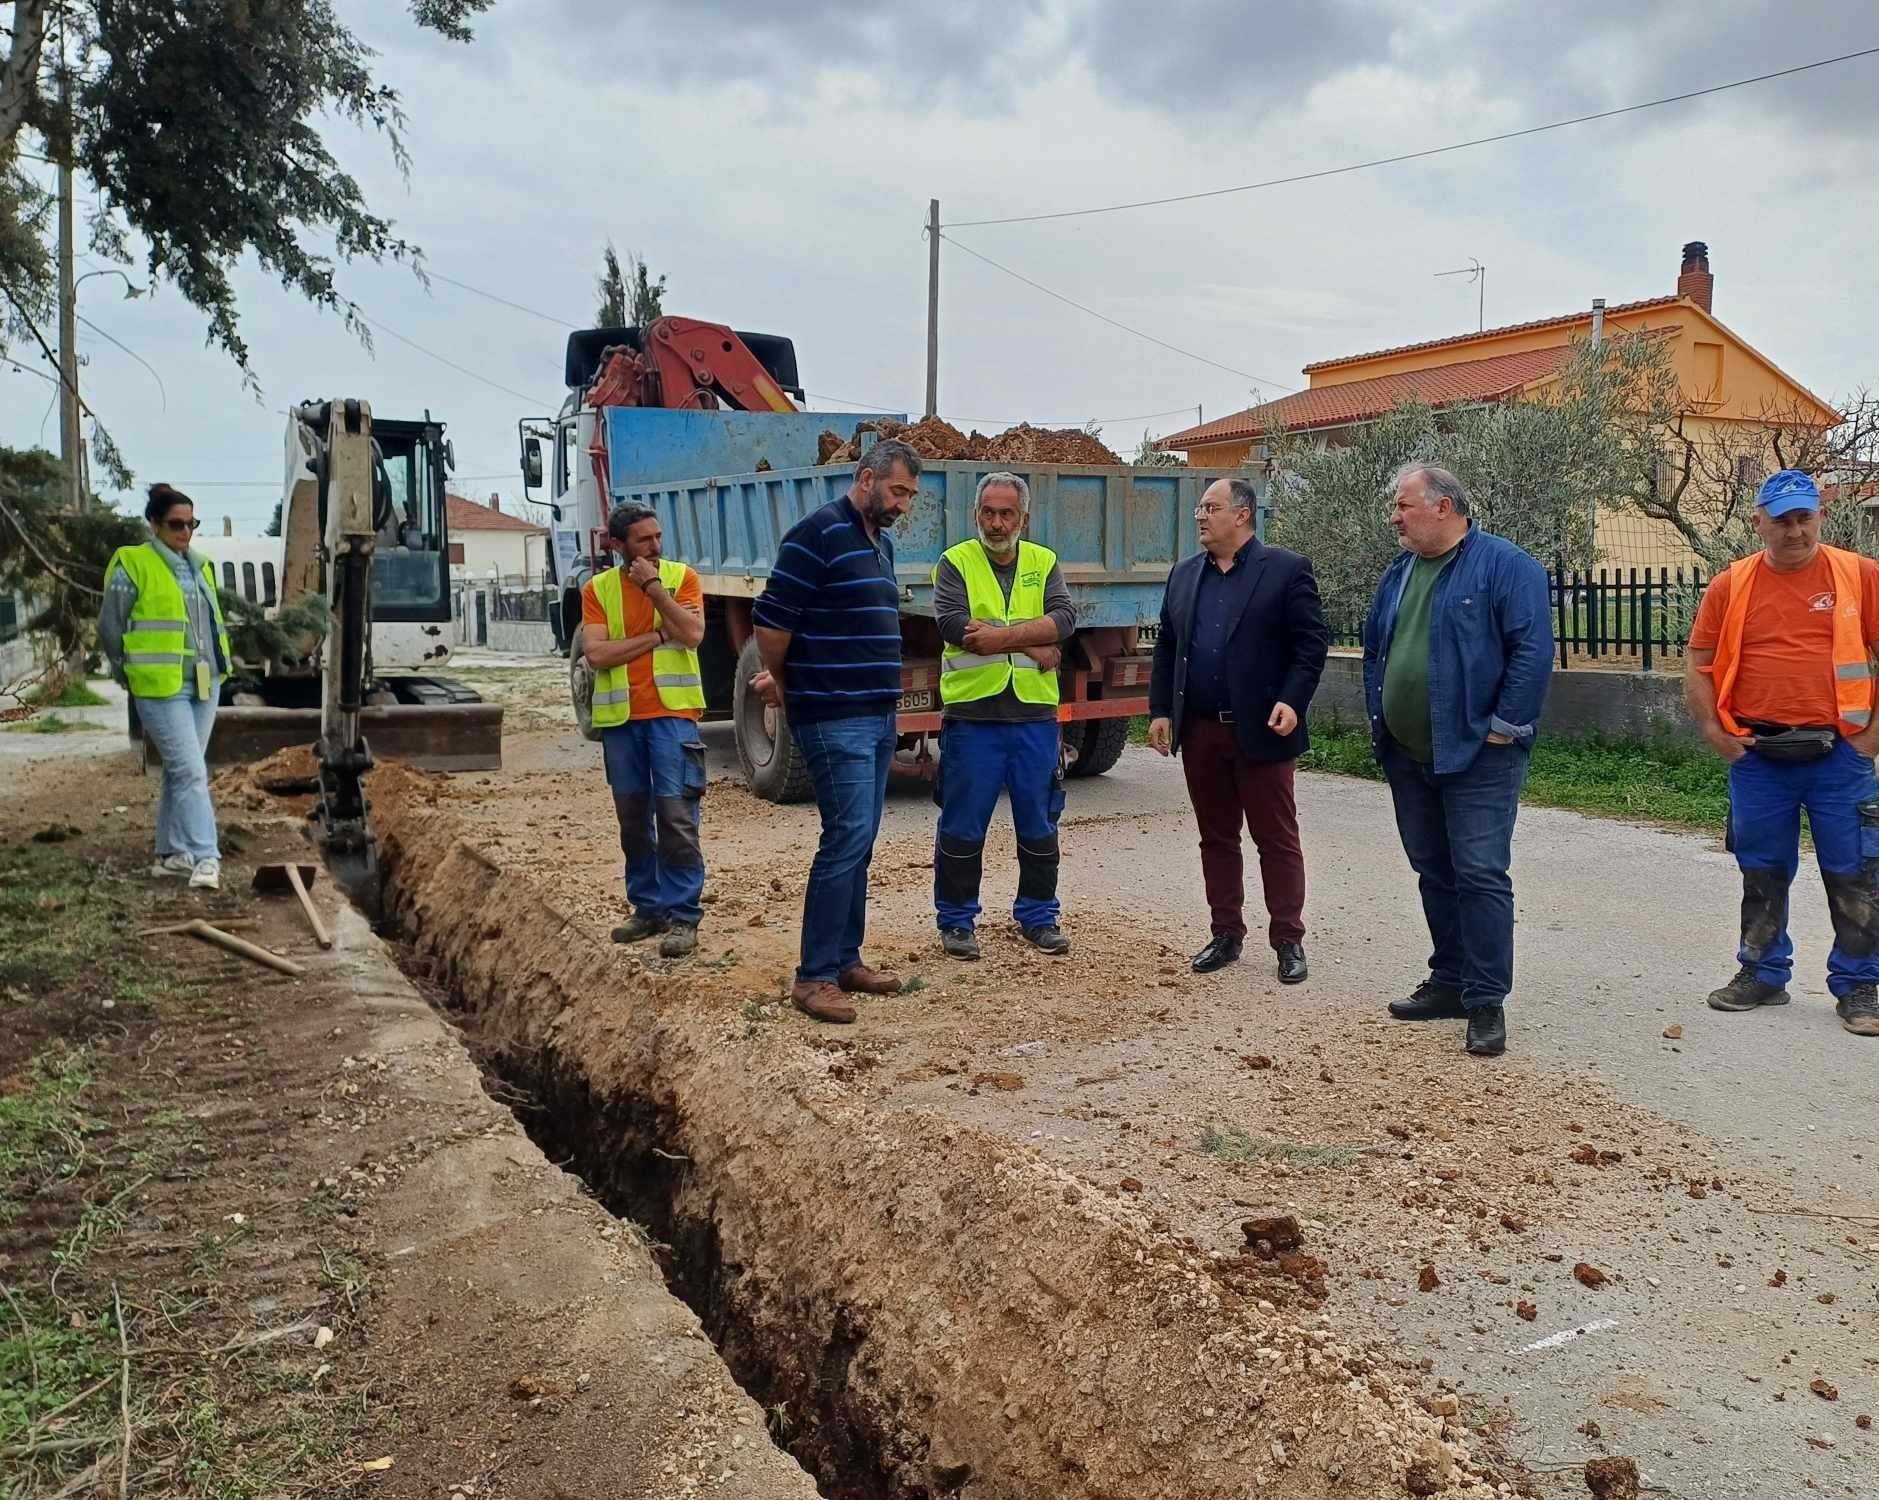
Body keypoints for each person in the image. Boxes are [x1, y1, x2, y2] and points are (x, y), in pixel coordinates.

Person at [1363, 464, 1553, 1058]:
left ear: (1444, 507)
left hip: (1480, 756)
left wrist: (1502, 729)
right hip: (1410, 753)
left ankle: (1485, 1001)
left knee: (1479, 874)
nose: (1395, 516)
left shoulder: (1505, 565)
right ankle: (1449, 980)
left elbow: (1532, 652)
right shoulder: (1399, 572)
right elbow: (1378, 649)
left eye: (1404, 505)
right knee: (1435, 871)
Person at [1686, 469, 1879, 1038]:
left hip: (1839, 756)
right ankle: (1763, 973)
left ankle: (1861, 984)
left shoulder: (1859, 576)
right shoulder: (1732, 584)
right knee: (1762, 871)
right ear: (1759, 523)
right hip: (1759, 754)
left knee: (1856, 873)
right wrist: (1713, 731)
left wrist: (1873, 735)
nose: (1795, 531)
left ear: (1820, 516)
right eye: (1782, 520)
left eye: (1804, 517)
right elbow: (1698, 661)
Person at [750, 439, 922, 1023]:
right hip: (833, 715)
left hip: (876, 714)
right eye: (897, 491)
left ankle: (846, 959)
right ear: (866, 478)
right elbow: (771, 623)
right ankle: (814, 976)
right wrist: (783, 678)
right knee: (845, 837)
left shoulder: (883, 544)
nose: (903, 504)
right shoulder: (816, 534)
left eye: (910, 495)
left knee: (862, 840)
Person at [1147, 476, 1328, 983]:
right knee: (1216, 837)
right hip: (1201, 731)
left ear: (1243, 515)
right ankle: (1225, 933)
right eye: (1201, 509)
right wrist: (1161, 709)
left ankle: (1288, 939)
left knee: (1276, 838)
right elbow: (1167, 646)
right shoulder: (1184, 575)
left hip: (1263, 731)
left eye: (1212, 507)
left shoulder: (1286, 570)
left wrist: (1293, 700)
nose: (1201, 516)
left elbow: (1310, 645)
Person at [931, 472, 1078, 960]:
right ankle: (956, 921)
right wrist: (1037, 644)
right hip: (974, 718)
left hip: (1034, 718)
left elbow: (1065, 620)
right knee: (963, 825)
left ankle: (1038, 916)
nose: (997, 523)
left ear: (1024, 518)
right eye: (989, 513)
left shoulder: (1044, 561)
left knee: (1039, 823)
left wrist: (1001, 636)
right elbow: (954, 626)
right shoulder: (955, 562)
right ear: (977, 515)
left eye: (1007, 514)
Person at [582, 504, 709, 959]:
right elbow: (596, 655)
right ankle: (648, 907)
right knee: (634, 820)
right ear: (618, 546)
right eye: (643, 540)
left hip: (673, 717)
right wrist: (656, 637)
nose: (655, 546)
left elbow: (692, 634)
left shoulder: (680, 578)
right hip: (622, 722)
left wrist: (654, 589)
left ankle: (682, 915)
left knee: (676, 817)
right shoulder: (598, 589)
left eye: (657, 537)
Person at [99, 484, 233, 891]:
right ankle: (206, 855)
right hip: (160, 688)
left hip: (204, 685)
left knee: (181, 771)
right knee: (192, 771)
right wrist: (129, 673)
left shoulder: (200, 566)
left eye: (191, 523)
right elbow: (110, 627)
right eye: (176, 524)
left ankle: (171, 855)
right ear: (154, 524)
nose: (185, 532)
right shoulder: (132, 565)